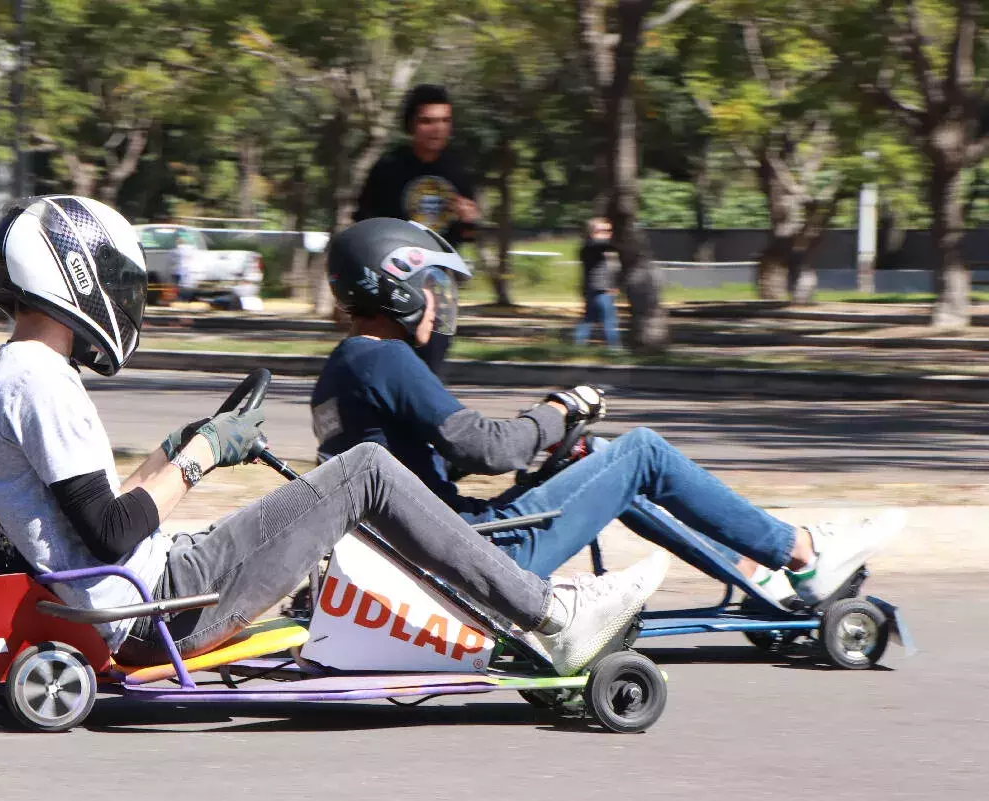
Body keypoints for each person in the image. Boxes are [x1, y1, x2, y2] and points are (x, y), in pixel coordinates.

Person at [0, 195, 669, 678]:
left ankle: (531, 606)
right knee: (365, 469)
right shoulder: (38, 378)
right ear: (73, 274)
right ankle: (548, 613)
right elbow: (111, 532)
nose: (125, 299)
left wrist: (179, 446)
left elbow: (96, 510)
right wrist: (204, 457)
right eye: (119, 281)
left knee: (358, 472)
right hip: (154, 607)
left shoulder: (23, 371)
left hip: (139, 590)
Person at [310, 217, 905, 605]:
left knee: (591, 456)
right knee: (642, 449)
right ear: (396, 286)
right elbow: (486, 448)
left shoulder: (342, 371)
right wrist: (557, 409)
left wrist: (553, 442)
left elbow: (411, 473)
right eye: (432, 283)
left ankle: (752, 571)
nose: (440, 300)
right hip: (476, 556)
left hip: (423, 548)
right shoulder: (385, 359)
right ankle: (800, 551)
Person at [355, 83, 479, 373]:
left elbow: (465, 237)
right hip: (392, 281)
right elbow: (363, 224)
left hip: (438, 283)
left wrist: (470, 221)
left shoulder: (457, 169)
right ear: (411, 125)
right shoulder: (389, 168)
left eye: (445, 121)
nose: (438, 129)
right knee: (386, 366)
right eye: (428, 121)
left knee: (430, 369)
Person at [575, 217, 620, 349]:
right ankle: (614, 349)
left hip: (604, 289)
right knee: (609, 320)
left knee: (589, 319)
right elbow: (604, 245)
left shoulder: (605, 249)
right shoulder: (590, 246)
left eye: (609, 230)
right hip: (599, 289)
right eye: (601, 230)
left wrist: (614, 286)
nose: (606, 233)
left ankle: (578, 346)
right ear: (591, 232)